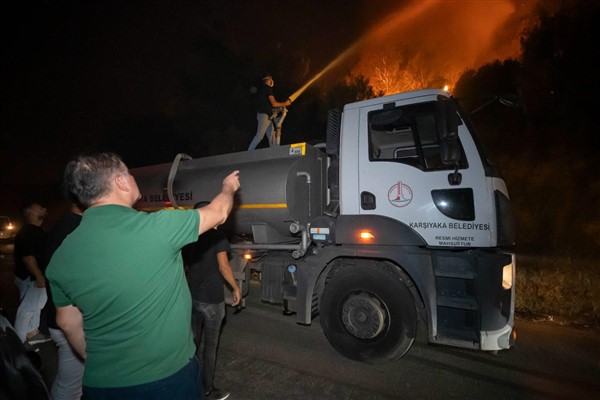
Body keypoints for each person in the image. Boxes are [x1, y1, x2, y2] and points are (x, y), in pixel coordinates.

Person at [46, 152, 240, 400]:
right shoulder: (158, 227)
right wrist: (228, 186)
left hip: (100, 385)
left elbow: (67, 323)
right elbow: (220, 212)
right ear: (120, 182)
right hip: (166, 380)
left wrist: (106, 362)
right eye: (128, 172)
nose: (132, 177)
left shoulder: (62, 255)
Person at [182, 202, 241, 400]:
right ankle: (207, 388)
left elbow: (185, 264)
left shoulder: (190, 234)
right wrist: (235, 287)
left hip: (193, 295)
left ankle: (191, 382)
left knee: (193, 342)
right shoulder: (217, 237)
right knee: (210, 345)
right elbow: (224, 266)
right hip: (211, 299)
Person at [44, 202, 85, 400]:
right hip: (68, 320)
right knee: (70, 385)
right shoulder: (76, 229)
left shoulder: (63, 225)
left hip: (60, 313)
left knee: (72, 381)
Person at [13, 202, 52, 346]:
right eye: (39, 206)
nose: (44, 207)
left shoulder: (36, 230)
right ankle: (19, 342)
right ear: (29, 212)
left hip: (36, 277)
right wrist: (38, 275)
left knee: (36, 306)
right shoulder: (28, 231)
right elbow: (27, 256)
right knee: (28, 308)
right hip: (31, 278)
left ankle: (32, 333)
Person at [247, 74, 292, 150]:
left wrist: (279, 109)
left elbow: (269, 106)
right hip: (264, 116)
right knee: (260, 135)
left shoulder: (262, 91)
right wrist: (286, 103)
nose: (272, 81)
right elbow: (274, 103)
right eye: (271, 79)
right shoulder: (267, 88)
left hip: (267, 117)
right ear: (268, 80)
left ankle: (274, 151)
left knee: (272, 136)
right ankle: (248, 152)